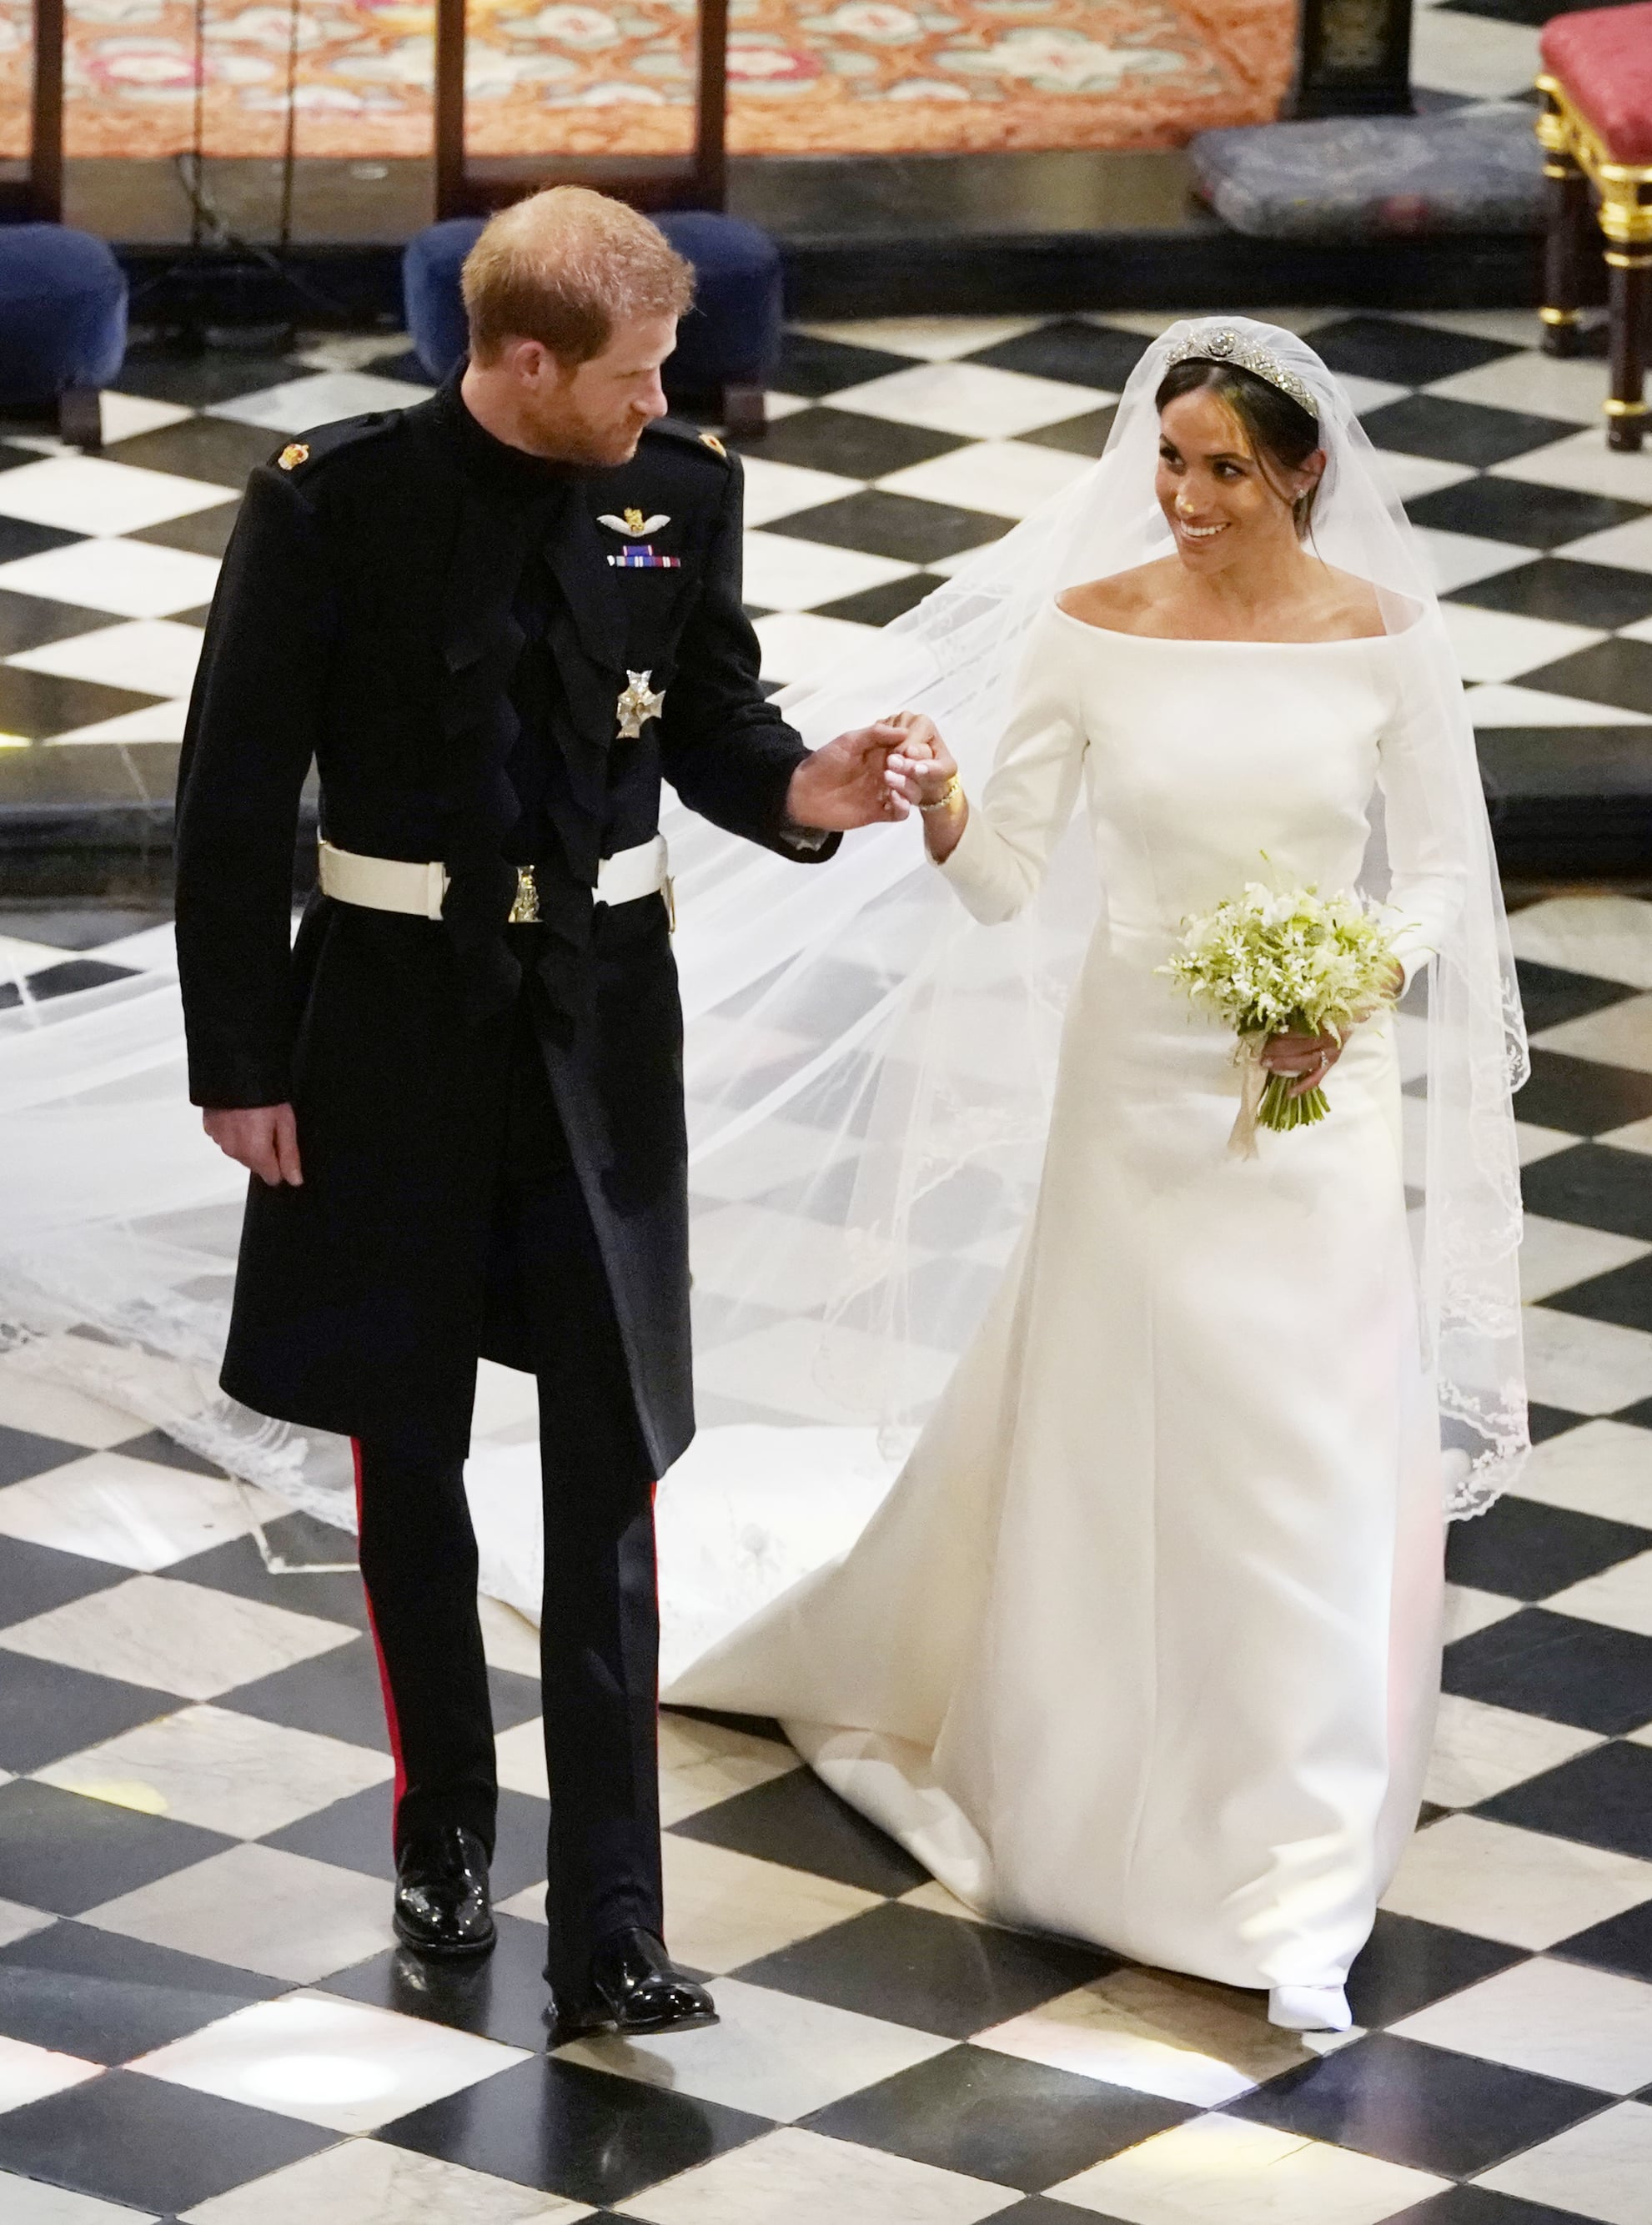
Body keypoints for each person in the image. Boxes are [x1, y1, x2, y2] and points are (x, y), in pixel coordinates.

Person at [665, 321, 1529, 2036]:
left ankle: (1290, 1860)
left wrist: (1348, 981)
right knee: (1129, 1432)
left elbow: (1437, 875)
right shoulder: (1094, 627)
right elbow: (1008, 886)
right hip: (1132, 1085)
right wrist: (942, 804)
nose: (1183, 495)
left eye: (1221, 466)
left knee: (1298, 1447)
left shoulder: (1384, 642)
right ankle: (1101, 1782)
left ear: (1300, 473)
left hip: (1314, 1092)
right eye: (1169, 459)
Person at [173, 186, 914, 2039]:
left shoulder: (680, 497)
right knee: (404, 1442)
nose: (668, 400)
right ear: (521, 359)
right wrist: (242, 1059)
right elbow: (232, 790)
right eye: (639, 371)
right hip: (387, 1031)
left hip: (602, 1033)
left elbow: (714, 718)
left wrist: (807, 790)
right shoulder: (330, 504)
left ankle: (613, 1916)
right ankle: (441, 1832)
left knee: (611, 1462)